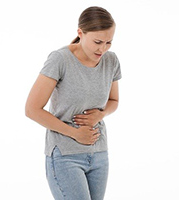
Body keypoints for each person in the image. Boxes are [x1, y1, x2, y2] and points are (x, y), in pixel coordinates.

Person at [25, 6, 122, 200]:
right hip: (65, 155)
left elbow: (114, 100)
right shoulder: (60, 59)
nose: (103, 48)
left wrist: (101, 114)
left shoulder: (111, 60)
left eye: (108, 42)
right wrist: (75, 134)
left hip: (99, 153)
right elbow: (32, 109)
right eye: (97, 42)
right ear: (80, 33)